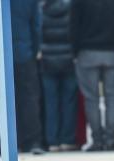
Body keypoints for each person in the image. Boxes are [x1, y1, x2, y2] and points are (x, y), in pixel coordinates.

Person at [71, 0, 114, 151]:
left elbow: (74, 25)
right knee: (112, 96)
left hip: (87, 52)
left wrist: (75, 51)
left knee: (91, 98)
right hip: (112, 51)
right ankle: (111, 139)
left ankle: (97, 140)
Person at [40, 0, 78, 152]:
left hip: (48, 61)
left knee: (51, 103)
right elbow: (75, 32)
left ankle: (52, 141)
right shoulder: (71, 9)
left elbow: (38, 33)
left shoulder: (42, 10)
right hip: (68, 60)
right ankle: (67, 140)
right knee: (68, 102)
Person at [11, 0, 43, 153]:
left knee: (3, 100)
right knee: (29, 98)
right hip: (24, 53)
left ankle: (8, 140)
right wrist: (34, 50)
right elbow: (36, 26)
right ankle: (32, 141)